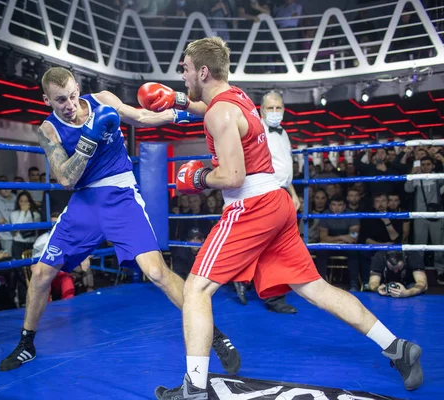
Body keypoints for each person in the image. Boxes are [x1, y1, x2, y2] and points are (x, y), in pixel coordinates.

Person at [138, 37, 422, 399]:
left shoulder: (219, 113)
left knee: (195, 288)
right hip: (276, 202)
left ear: (203, 70)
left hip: (251, 204)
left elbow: (233, 177)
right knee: (315, 289)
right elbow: (210, 109)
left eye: (186, 68)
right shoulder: (236, 98)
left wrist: (196, 178)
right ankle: (397, 347)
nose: (181, 73)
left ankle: (193, 389)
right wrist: (179, 101)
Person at [0, 67, 240, 374]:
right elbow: (64, 179)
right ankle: (26, 344)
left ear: (79, 88)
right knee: (42, 272)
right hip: (84, 201)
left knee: (156, 272)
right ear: (47, 100)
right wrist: (89, 140)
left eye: (73, 95)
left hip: (120, 196)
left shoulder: (102, 100)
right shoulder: (48, 130)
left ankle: (213, 334)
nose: (70, 105)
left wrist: (179, 115)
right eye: (61, 100)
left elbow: (140, 117)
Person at [233, 90, 298, 313]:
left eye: (278, 108)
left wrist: (293, 192)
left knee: (274, 246)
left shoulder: (283, 133)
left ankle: (245, 280)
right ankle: (259, 289)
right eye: (270, 108)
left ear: (284, 109)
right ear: (261, 110)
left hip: (280, 192)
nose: (274, 112)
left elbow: (283, 166)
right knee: (272, 246)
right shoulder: (256, 130)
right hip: (264, 192)